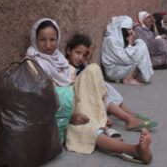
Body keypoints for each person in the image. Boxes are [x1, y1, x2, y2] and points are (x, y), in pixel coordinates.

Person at [27, 18, 152, 164]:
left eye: (52, 40)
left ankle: (106, 121)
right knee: (84, 129)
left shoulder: (59, 59)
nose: (48, 45)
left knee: (92, 70)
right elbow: (41, 99)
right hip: (59, 115)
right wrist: (69, 116)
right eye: (42, 40)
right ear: (35, 40)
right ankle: (133, 150)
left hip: (75, 106)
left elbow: (76, 87)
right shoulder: (33, 63)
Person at [66, 34, 158, 131]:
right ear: (69, 50)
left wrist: (89, 59)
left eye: (84, 55)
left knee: (105, 86)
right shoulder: (65, 66)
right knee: (99, 90)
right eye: (77, 53)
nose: (80, 58)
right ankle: (128, 119)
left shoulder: (79, 66)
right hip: (77, 99)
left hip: (86, 94)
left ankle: (131, 114)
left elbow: (95, 74)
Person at [101, 16, 154, 86]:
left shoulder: (118, 36)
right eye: (128, 30)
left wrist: (132, 43)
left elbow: (126, 53)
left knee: (140, 43)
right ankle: (128, 78)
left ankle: (135, 75)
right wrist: (130, 43)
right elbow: (124, 59)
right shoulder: (111, 40)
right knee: (140, 51)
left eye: (130, 29)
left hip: (120, 64)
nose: (130, 32)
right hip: (114, 71)